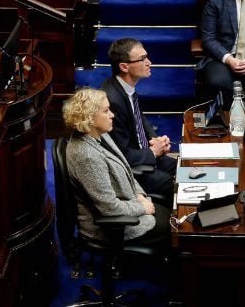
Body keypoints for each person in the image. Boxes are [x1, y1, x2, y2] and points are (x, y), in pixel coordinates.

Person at [62, 88, 170, 246]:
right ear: (90, 118)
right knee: (177, 228)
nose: (112, 115)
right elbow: (110, 208)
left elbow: (126, 170)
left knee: (173, 214)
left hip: (129, 204)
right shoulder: (87, 156)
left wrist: (140, 196)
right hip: (114, 226)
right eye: (106, 111)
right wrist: (142, 207)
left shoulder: (100, 134)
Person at [101, 39, 176, 203]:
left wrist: (156, 140)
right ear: (124, 67)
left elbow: (140, 119)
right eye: (142, 59)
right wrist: (153, 152)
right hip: (131, 171)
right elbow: (121, 155)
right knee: (180, 184)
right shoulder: (112, 101)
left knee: (184, 167)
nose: (149, 62)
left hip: (143, 154)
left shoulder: (124, 88)